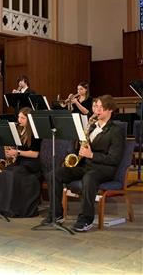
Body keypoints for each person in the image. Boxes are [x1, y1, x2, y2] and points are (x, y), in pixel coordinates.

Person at [42, 94, 125, 232]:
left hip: (104, 169)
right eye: (95, 106)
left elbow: (114, 159)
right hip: (86, 166)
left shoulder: (116, 131)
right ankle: (56, 214)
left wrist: (92, 154)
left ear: (110, 110)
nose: (96, 110)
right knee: (54, 174)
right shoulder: (91, 127)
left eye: (101, 107)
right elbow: (80, 148)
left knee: (89, 178)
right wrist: (77, 148)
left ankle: (86, 219)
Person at [0, 107, 42, 217]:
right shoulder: (19, 130)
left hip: (31, 164)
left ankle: (11, 208)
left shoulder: (35, 133)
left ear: (30, 120)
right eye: (19, 117)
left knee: (12, 174)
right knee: (4, 173)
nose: (19, 120)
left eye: (23, 118)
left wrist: (17, 152)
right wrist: (11, 153)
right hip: (20, 162)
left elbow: (35, 154)